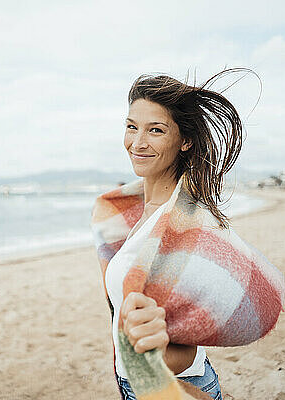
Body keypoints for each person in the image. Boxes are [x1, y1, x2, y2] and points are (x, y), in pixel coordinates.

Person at [102, 69, 253, 400]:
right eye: (132, 126)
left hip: (175, 387)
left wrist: (149, 348)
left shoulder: (186, 225)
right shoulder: (129, 209)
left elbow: (185, 349)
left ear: (185, 140)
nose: (137, 142)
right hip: (135, 384)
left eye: (155, 130)